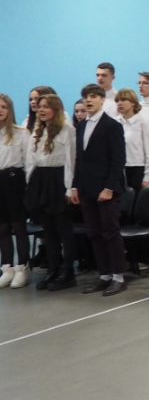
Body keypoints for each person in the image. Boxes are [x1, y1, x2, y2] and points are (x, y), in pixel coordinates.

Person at [72, 84, 128, 297]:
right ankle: (104, 274)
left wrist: (109, 187)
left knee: (110, 232)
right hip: (86, 187)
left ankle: (118, 276)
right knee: (94, 232)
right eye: (86, 96)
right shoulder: (81, 126)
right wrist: (75, 186)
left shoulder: (111, 125)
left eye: (93, 96)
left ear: (102, 99)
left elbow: (118, 160)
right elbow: (79, 159)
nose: (89, 100)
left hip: (105, 188)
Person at [24, 94, 77, 291]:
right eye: (40, 106)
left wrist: (70, 187)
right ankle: (53, 270)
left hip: (58, 178)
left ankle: (68, 272)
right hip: (41, 178)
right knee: (48, 230)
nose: (41, 110)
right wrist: (31, 184)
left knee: (64, 229)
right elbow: (31, 159)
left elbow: (71, 160)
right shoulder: (38, 130)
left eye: (46, 106)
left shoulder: (67, 130)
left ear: (55, 109)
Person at [0, 94, 31, 289]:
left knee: (18, 226)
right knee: (2, 227)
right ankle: (7, 268)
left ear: (9, 110)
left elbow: (29, 162)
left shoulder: (21, 133)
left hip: (15, 181)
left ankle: (22, 268)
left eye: (3, 107)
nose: (0, 110)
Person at [114, 89, 149, 193]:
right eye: (117, 101)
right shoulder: (115, 122)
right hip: (118, 169)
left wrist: (147, 177)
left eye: (123, 100)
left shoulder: (143, 122)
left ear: (133, 102)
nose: (119, 103)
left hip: (136, 169)